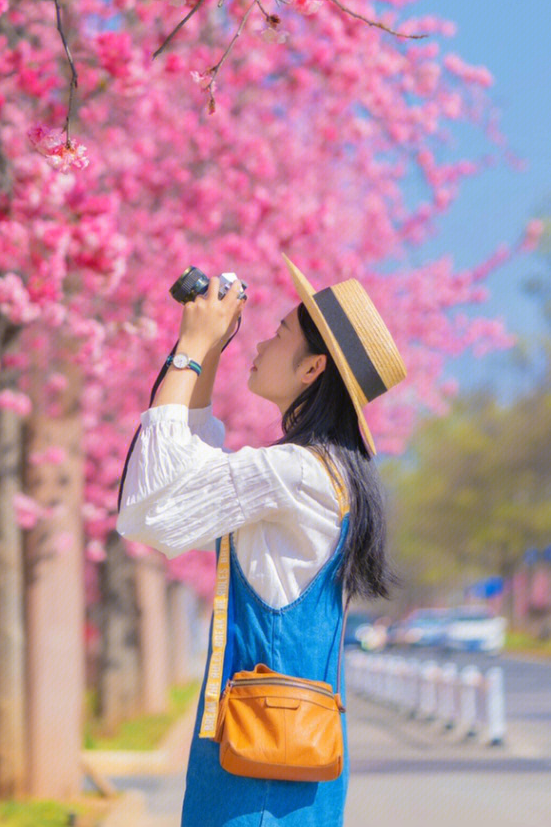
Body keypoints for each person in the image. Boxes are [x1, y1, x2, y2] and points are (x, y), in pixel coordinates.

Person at [116, 255, 407, 827]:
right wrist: (211, 354)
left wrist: (190, 350)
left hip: (259, 777)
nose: (262, 343)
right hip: (282, 766)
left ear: (311, 368)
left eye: (278, 334)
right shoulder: (322, 473)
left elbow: (152, 508)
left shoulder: (293, 473)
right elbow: (189, 475)